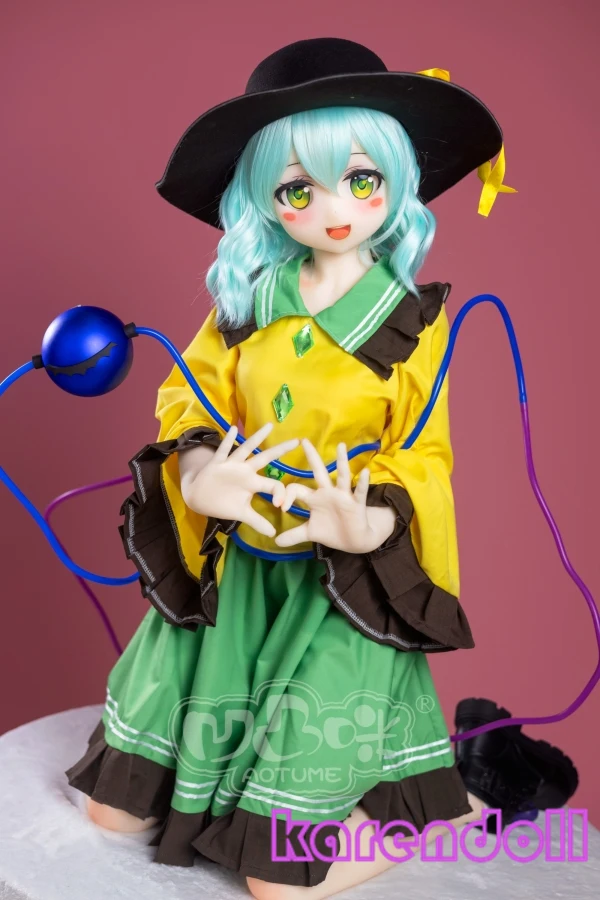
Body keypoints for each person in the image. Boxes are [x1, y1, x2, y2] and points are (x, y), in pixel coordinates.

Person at [65, 38, 578, 899]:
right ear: (264, 199)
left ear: (399, 180)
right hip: (237, 581)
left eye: (362, 180)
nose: (335, 210)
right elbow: (188, 398)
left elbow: (425, 453)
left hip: (336, 591)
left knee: (279, 883)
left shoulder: (411, 322)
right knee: (112, 814)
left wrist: (369, 519)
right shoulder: (245, 302)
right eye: (299, 189)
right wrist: (201, 472)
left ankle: (455, 812)